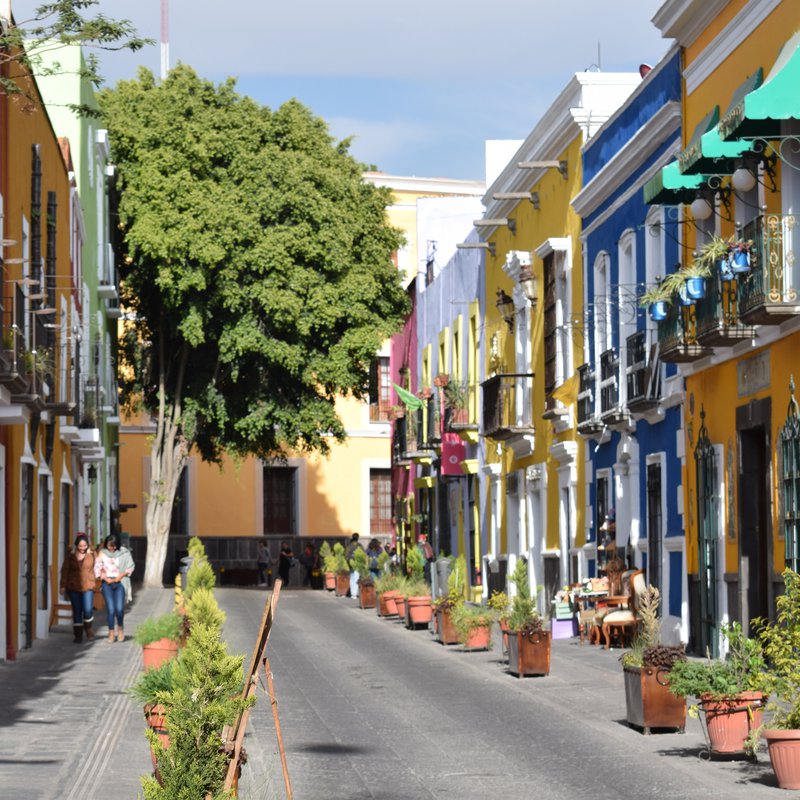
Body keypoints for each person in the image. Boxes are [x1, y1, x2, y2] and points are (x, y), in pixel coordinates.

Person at [94, 534, 135, 642]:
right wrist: (104, 577)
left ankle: (120, 628)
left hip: (120, 583)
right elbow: (97, 568)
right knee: (111, 609)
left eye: (113, 546)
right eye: (109, 546)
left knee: (120, 609)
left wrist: (120, 576)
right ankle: (111, 632)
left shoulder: (124, 552)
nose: (111, 549)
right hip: (107, 584)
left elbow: (130, 566)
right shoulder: (102, 553)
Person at [59, 534, 96, 643]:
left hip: (88, 586)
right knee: (77, 611)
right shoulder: (70, 556)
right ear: (76, 545)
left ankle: (88, 628)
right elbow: (65, 571)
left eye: (85, 546)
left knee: (88, 610)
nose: (82, 548)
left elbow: (98, 566)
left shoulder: (92, 555)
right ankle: (78, 635)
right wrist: (62, 585)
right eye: (80, 546)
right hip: (73, 586)